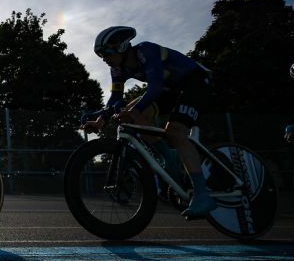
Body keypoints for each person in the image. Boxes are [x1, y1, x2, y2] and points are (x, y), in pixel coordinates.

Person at [83, 26, 216, 218]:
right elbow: (115, 99)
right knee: (132, 114)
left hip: (195, 81)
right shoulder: (117, 69)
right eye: (100, 55)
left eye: (107, 53)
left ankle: (203, 195)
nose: (104, 59)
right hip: (171, 90)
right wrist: (99, 121)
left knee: (175, 132)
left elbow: (155, 86)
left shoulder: (145, 50)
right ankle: (168, 158)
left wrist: (133, 110)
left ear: (121, 46)